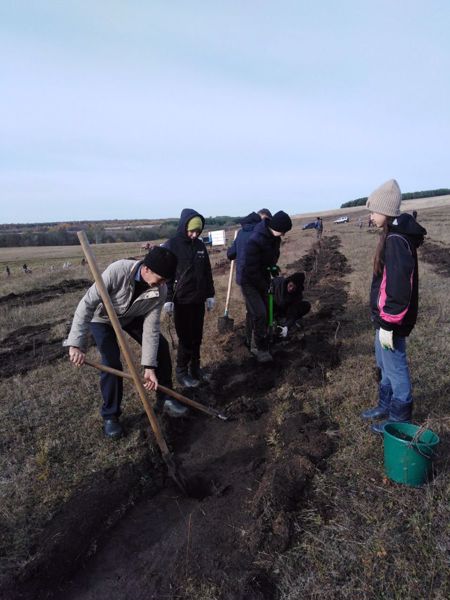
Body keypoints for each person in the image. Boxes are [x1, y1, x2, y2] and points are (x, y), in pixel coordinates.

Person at [65, 246, 187, 439]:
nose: (163, 284)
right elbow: (87, 304)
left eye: (165, 280)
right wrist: (76, 343)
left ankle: (165, 398)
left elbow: (151, 327)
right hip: (103, 318)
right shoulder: (118, 271)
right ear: (146, 269)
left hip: (132, 316)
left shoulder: (160, 290)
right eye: (161, 279)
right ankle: (110, 416)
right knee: (111, 362)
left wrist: (149, 366)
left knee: (161, 347)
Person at [360, 179, 427, 434]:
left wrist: (388, 321)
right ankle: (384, 405)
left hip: (392, 320)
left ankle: (400, 419)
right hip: (384, 318)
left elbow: (399, 287)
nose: (371, 216)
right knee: (384, 362)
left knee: (395, 367)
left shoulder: (397, 240)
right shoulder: (391, 235)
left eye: (373, 210)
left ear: (386, 211)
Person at [162, 209, 215, 388]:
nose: (194, 235)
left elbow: (207, 271)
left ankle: (195, 369)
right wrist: (168, 298)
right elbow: (166, 275)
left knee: (197, 336)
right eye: (191, 231)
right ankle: (182, 372)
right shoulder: (172, 245)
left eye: (197, 232)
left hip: (198, 299)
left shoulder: (200, 246)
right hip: (181, 300)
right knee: (185, 338)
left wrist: (210, 295)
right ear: (183, 227)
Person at [241, 210, 292, 363]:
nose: (283, 235)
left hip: (262, 277)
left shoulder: (274, 239)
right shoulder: (255, 240)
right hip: (249, 281)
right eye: (282, 231)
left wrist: (272, 268)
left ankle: (265, 339)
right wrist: (265, 286)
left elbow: (271, 258)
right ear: (276, 226)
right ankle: (259, 348)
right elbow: (251, 269)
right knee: (260, 314)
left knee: (267, 312)